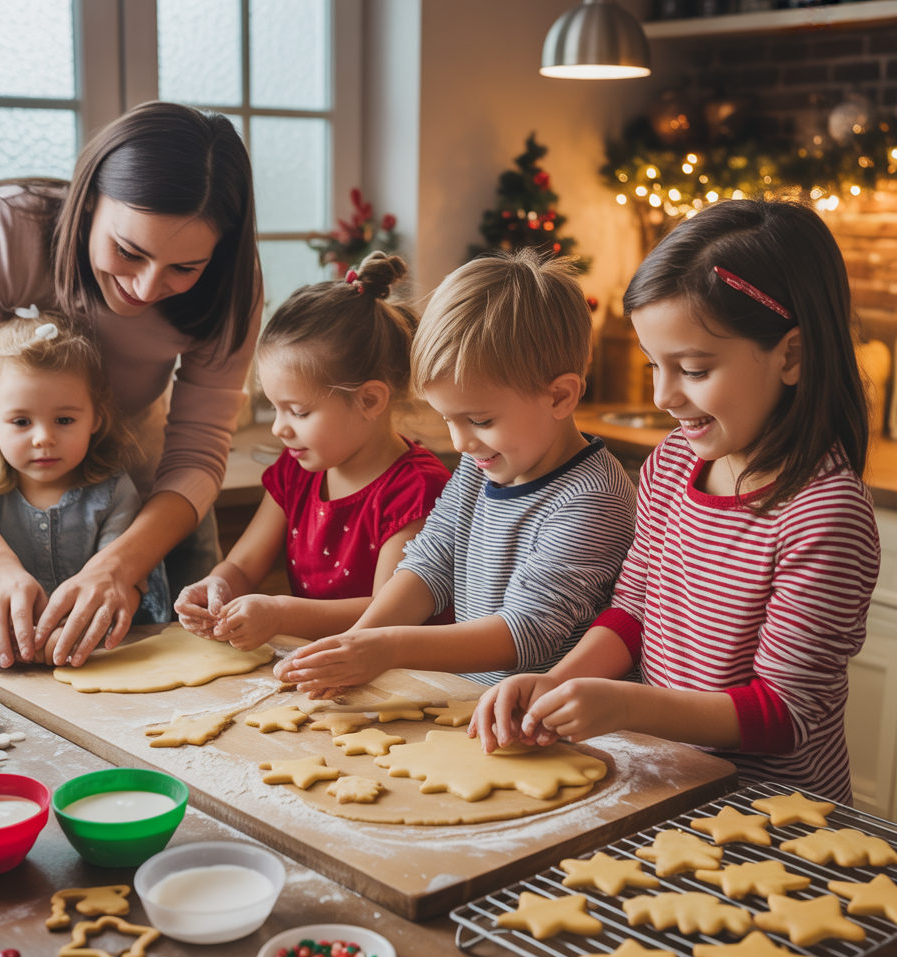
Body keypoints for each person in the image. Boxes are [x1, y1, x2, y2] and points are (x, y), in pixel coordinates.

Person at [472, 199, 881, 803]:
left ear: (790, 355)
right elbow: (633, 609)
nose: (663, 395)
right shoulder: (672, 464)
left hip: (773, 814)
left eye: (691, 369)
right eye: (653, 365)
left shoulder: (824, 516)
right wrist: (555, 682)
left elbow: (783, 713)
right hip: (669, 784)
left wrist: (623, 703)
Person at [0, 101, 261, 670]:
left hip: (154, 508)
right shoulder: (3, 229)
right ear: (89, 199)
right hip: (4, 507)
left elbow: (198, 450)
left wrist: (121, 565)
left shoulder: (232, 285)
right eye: (129, 251)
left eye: (183, 269)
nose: (144, 286)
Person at [273, 248, 637, 697]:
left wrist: (386, 648)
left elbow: (526, 632)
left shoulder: (591, 498)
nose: (461, 442)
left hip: (559, 723)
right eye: (448, 419)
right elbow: (432, 561)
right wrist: (355, 644)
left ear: (561, 397)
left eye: (480, 421)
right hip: (472, 700)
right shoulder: (482, 462)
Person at [174, 252, 452, 651]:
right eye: (274, 406)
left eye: (299, 411)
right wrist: (216, 586)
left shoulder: (417, 491)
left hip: (402, 678)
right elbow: (242, 565)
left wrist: (281, 613)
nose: (278, 427)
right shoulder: (297, 468)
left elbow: (385, 612)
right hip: (325, 668)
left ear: (370, 401)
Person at [0, 310, 168, 658]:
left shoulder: (115, 492)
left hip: (103, 658)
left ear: (95, 419)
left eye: (64, 419)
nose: (43, 438)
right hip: (1, 662)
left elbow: (130, 585)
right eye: (21, 421)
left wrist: (76, 631)